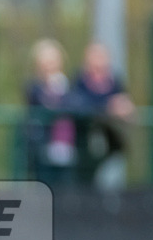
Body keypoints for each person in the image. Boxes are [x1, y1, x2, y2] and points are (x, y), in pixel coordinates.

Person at [70, 42, 135, 190]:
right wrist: (108, 107)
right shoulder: (79, 81)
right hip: (84, 142)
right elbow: (79, 105)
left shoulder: (114, 82)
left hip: (111, 142)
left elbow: (124, 104)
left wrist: (126, 108)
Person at [23, 38, 75, 187]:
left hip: (66, 146)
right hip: (41, 146)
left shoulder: (68, 85)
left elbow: (72, 105)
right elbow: (41, 104)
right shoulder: (34, 87)